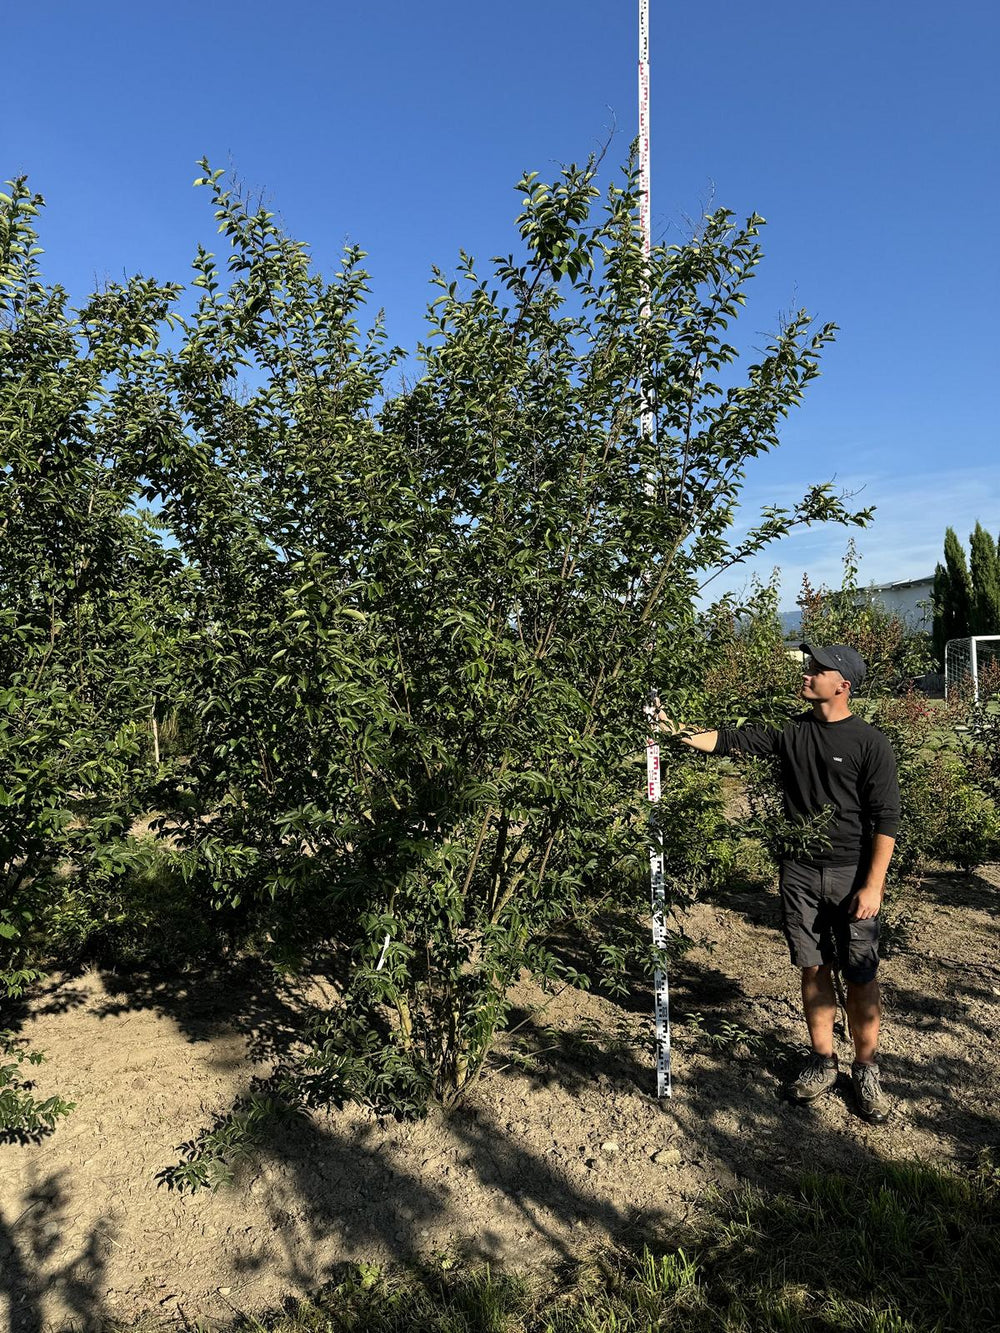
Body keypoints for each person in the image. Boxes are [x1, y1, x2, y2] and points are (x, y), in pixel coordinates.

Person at [658, 642, 900, 1123]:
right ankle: (822, 1060)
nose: (807, 673)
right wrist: (674, 731)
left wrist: (873, 886)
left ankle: (866, 1069)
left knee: (861, 973)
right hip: (800, 873)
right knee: (813, 966)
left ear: (842, 685)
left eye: (818, 670)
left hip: (853, 873)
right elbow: (730, 740)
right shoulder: (792, 733)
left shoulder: (870, 743)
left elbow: (887, 819)